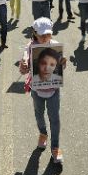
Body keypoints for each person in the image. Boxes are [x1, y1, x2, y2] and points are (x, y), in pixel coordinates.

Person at [19, 18, 66, 164]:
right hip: (36, 90)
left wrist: (63, 63)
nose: (45, 37)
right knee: (39, 114)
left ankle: (55, 147)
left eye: (48, 34)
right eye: (42, 34)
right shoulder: (30, 47)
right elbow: (24, 66)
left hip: (53, 90)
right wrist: (23, 65)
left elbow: (60, 68)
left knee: (55, 118)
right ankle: (43, 133)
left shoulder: (55, 46)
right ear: (34, 33)